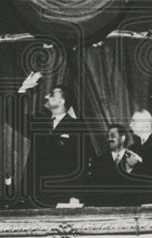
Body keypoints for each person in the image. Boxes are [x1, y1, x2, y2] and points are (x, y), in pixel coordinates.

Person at [17, 71, 89, 206]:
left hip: (61, 197)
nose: (45, 96)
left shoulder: (78, 127)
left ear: (61, 101)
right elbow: (12, 116)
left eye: (51, 95)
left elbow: (81, 164)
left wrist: (75, 195)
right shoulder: (39, 123)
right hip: (34, 196)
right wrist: (23, 89)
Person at [84, 124, 144, 206]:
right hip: (105, 210)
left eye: (112, 136)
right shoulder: (99, 161)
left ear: (122, 138)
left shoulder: (134, 159)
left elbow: (138, 191)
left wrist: (129, 170)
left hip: (128, 210)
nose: (109, 139)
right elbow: (94, 190)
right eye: (107, 136)